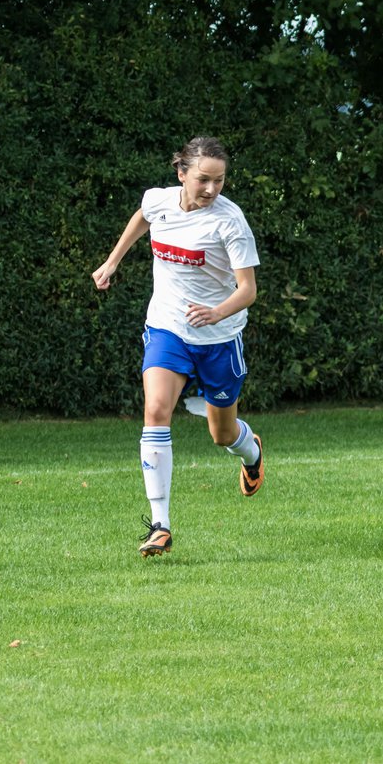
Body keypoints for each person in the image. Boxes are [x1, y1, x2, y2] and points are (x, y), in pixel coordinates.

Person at [92, 136, 264, 557]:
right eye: (203, 179)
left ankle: (252, 450)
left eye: (219, 181)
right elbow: (142, 217)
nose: (210, 189)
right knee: (155, 409)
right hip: (167, 326)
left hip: (219, 338)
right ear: (181, 173)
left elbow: (248, 290)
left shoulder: (229, 221)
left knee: (222, 435)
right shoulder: (160, 201)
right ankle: (160, 524)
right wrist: (112, 261)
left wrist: (216, 312)